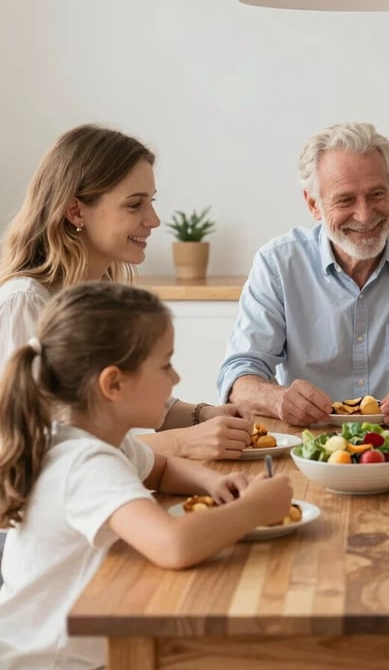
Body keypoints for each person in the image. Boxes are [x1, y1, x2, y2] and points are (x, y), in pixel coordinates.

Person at [0, 282, 293, 668]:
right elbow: (173, 545)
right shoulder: (84, 464)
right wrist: (255, 508)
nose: (176, 378)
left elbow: (163, 469)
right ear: (114, 384)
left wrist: (214, 483)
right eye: (165, 364)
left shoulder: (103, 441)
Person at [0, 123, 253, 462]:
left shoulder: (99, 297)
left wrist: (203, 415)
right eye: (135, 205)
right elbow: (43, 449)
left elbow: (118, 398)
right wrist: (181, 443)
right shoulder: (25, 302)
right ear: (76, 211)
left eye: (151, 202)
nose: (154, 219)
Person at [217, 121, 389, 427]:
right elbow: (238, 373)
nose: (365, 215)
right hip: (309, 446)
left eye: (377, 194)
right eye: (345, 199)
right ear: (313, 204)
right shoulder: (277, 263)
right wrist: (277, 399)